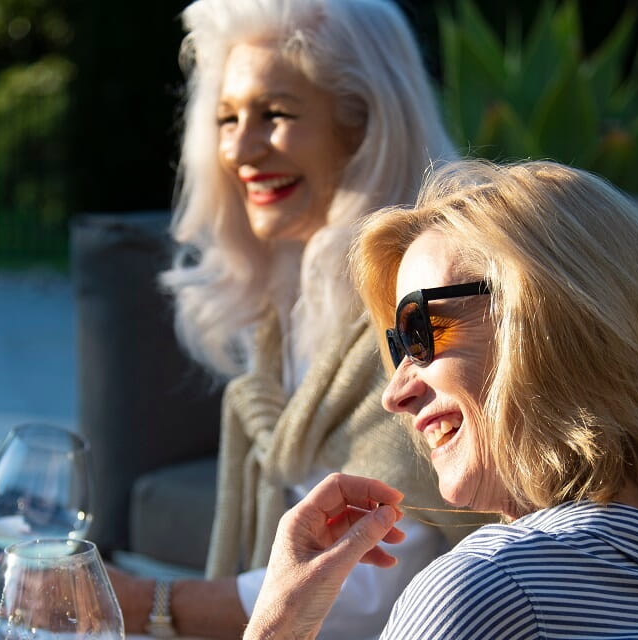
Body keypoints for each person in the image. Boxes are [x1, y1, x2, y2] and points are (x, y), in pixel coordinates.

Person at [244, 160, 638, 639]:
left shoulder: (484, 590)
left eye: (419, 330)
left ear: (549, 316)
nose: (395, 394)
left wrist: (277, 623)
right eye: (397, 347)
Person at [103, 0, 479, 638]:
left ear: (361, 126)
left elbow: (377, 585)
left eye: (274, 114)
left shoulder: (422, 302)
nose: (242, 150)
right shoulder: (287, 292)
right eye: (227, 118)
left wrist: (146, 604)